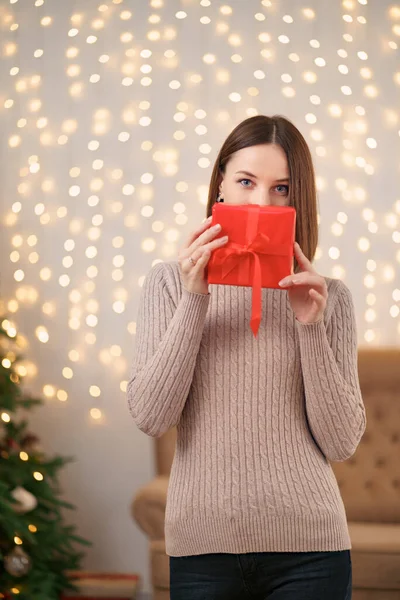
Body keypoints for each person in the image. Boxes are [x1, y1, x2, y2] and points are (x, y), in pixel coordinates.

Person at [127, 115, 366, 600]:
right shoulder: (169, 283)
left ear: (300, 198)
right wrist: (196, 298)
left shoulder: (329, 298)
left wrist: (310, 327)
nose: (261, 202)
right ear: (220, 185)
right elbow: (152, 416)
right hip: (202, 551)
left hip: (311, 551)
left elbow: (341, 442)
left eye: (281, 188)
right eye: (246, 182)